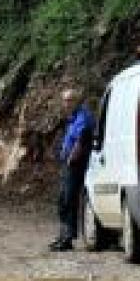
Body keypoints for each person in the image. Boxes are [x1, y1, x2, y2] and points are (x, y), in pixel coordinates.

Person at [50, 89, 95, 252]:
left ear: (77, 100)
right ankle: (63, 235)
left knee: (69, 200)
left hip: (76, 164)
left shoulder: (83, 117)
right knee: (62, 200)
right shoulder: (72, 118)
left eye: (69, 100)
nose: (66, 103)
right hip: (68, 163)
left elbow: (81, 141)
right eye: (64, 100)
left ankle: (68, 238)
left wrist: (70, 159)